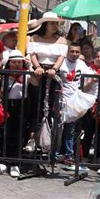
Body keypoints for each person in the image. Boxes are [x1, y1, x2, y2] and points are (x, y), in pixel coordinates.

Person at [25, 12, 68, 152]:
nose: (55, 26)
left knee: (49, 108)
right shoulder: (35, 38)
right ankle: (32, 139)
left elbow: (61, 57)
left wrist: (54, 69)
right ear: (45, 24)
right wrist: (37, 66)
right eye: (52, 23)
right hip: (38, 74)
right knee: (35, 106)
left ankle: (47, 141)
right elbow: (32, 55)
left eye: (56, 23)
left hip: (52, 75)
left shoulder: (61, 40)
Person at [0, 50, 29, 177]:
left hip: (21, 106)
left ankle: (15, 164)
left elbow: (35, 80)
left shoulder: (26, 74)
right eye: (14, 62)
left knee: (18, 135)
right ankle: (3, 162)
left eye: (20, 62)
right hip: (7, 106)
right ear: (9, 63)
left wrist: (30, 67)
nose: (17, 65)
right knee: (4, 134)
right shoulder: (3, 75)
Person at [59, 43, 87, 165]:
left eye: (77, 52)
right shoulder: (61, 62)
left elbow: (89, 75)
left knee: (70, 130)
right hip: (61, 99)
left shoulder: (81, 64)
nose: (74, 54)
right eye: (72, 51)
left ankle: (68, 154)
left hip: (74, 101)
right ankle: (54, 153)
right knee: (58, 128)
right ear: (67, 52)